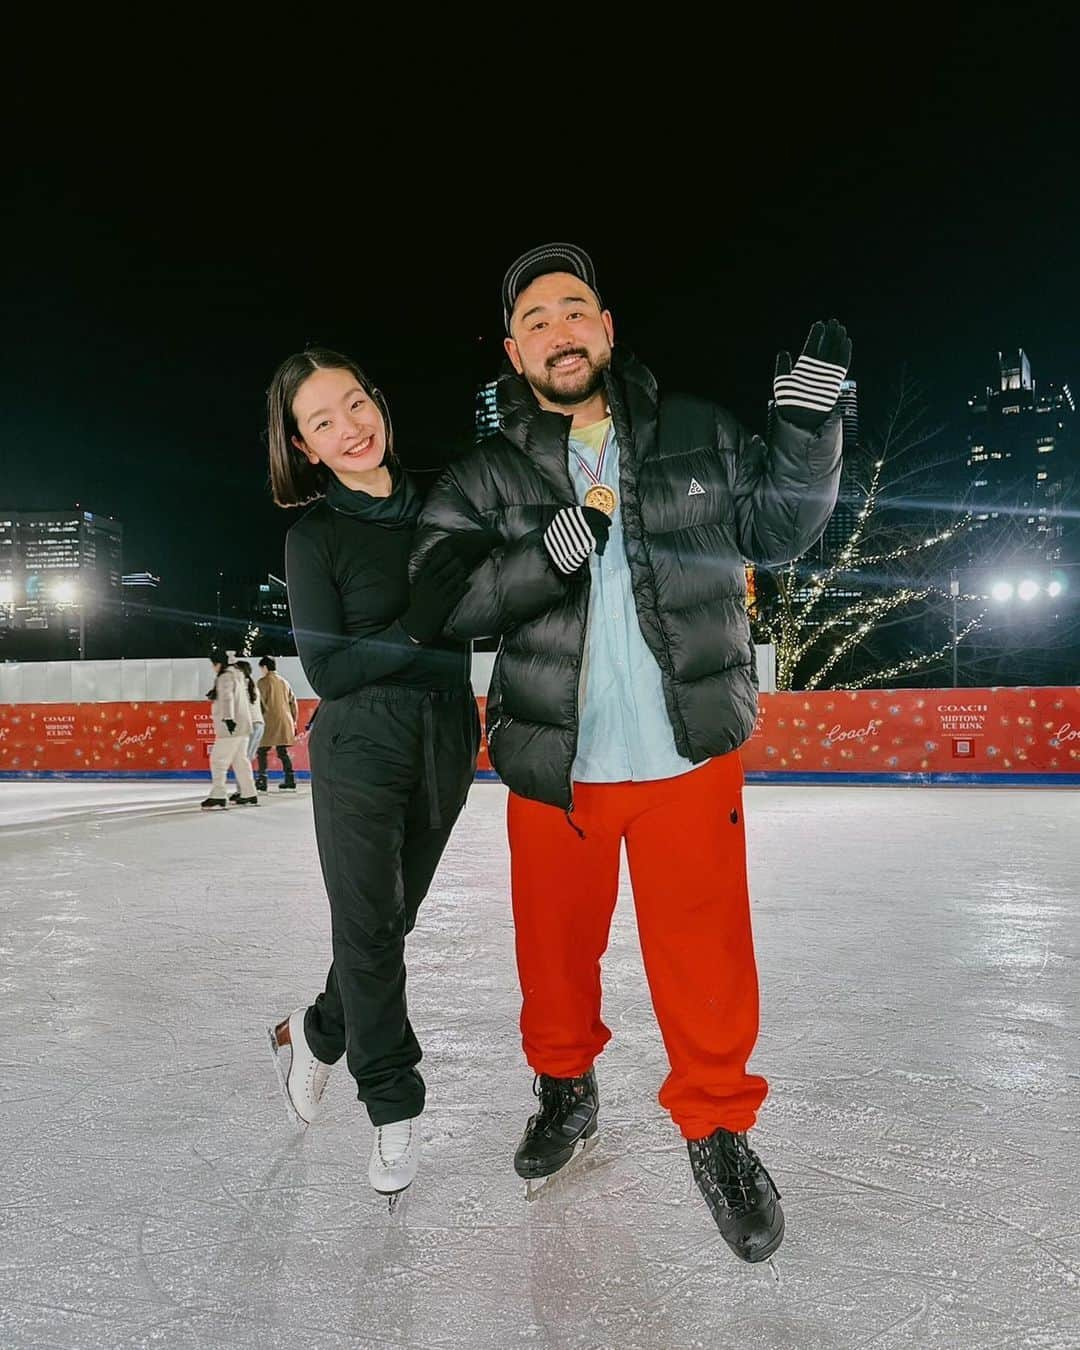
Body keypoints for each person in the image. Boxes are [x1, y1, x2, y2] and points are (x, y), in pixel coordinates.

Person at [413, 243, 849, 1262]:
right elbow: (437, 599)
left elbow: (779, 529)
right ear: (514, 352)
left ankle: (718, 1131)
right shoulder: (486, 474)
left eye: (576, 310)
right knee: (553, 960)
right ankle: (565, 1090)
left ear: (607, 330)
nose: (559, 331)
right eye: (536, 320)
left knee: (706, 965)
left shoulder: (696, 430)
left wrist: (809, 434)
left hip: (685, 756)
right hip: (553, 764)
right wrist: (546, 555)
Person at [264, 347, 495, 1205]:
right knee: (367, 931)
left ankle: (316, 1031)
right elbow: (329, 670)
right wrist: (420, 626)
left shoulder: (446, 498)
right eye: (323, 421)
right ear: (304, 446)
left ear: (377, 404)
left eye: (354, 404)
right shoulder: (314, 536)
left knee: (386, 926)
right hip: (360, 743)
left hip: (445, 734)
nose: (349, 428)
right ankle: (394, 1106)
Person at [202, 650, 259, 810]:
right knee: (240, 761)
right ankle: (249, 793)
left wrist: (228, 718)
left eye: (213, 664)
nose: (213, 667)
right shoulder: (238, 675)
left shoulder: (225, 676)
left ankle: (218, 795)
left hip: (231, 727)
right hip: (243, 726)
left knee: (218, 760)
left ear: (219, 663)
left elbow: (227, 698)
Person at [255, 655, 298, 791]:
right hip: (286, 720)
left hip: (269, 721)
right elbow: (293, 703)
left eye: (261, 668)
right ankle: (290, 778)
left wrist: (256, 720)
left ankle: (262, 780)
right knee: (282, 751)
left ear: (265, 667)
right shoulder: (284, 682)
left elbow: (259, 703)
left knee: (262, 750)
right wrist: (294, 721)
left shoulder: (262, 682)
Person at [229, 659, 264, 803]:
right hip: (258, 724)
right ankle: (243, 790)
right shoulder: (251, 684)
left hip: (250, 725)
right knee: (243, 759)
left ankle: (247, 792)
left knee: (242, 760)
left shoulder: (241, 685)